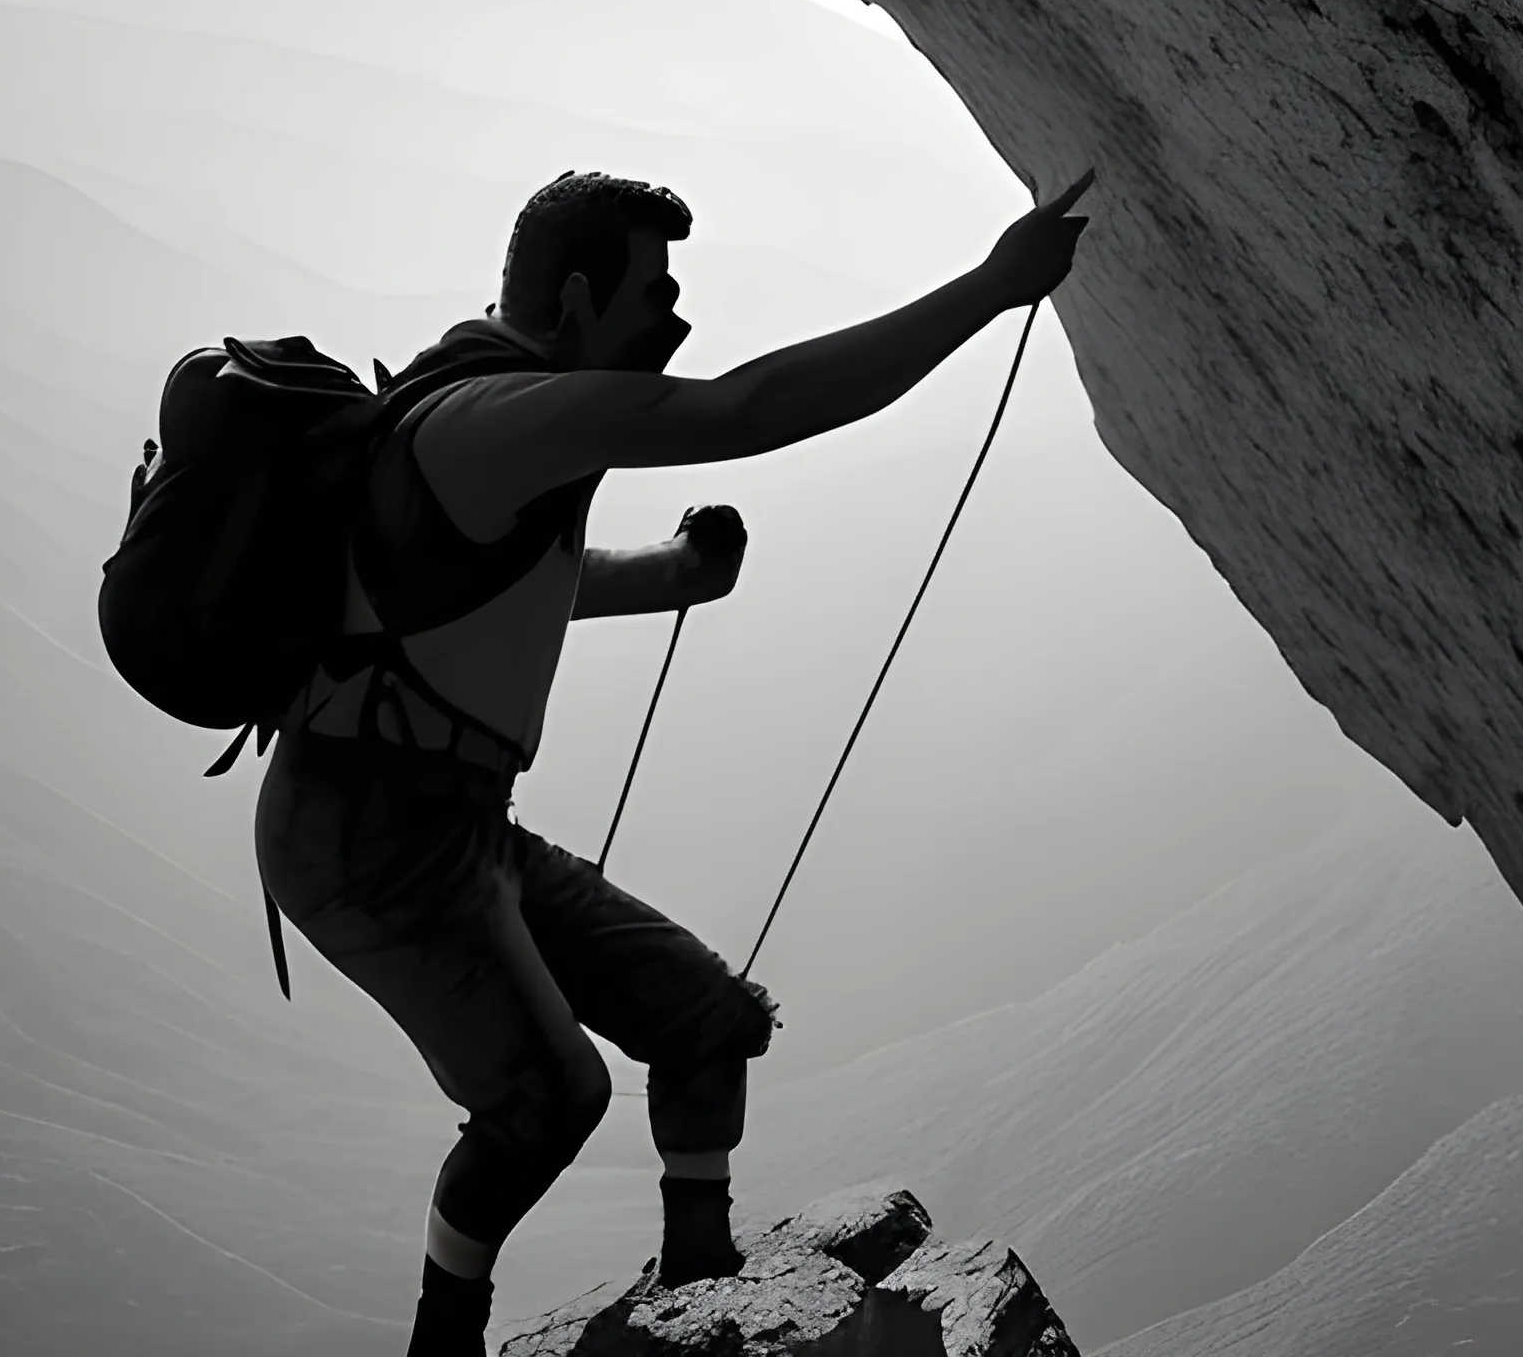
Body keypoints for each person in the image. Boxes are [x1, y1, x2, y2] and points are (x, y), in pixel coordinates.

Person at [254, 163, 1097, 1357]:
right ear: (583, 297)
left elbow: (492, 592)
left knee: (707, 1017)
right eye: (658, 292)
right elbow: (749, 407)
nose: (675, 321)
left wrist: (676, 576)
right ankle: (442, 1341)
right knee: (549, 1097)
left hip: (446, 822)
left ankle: (700, 1281)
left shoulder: (484, 410)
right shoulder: (501, 416)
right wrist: (988, 287)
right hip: (365, 837)